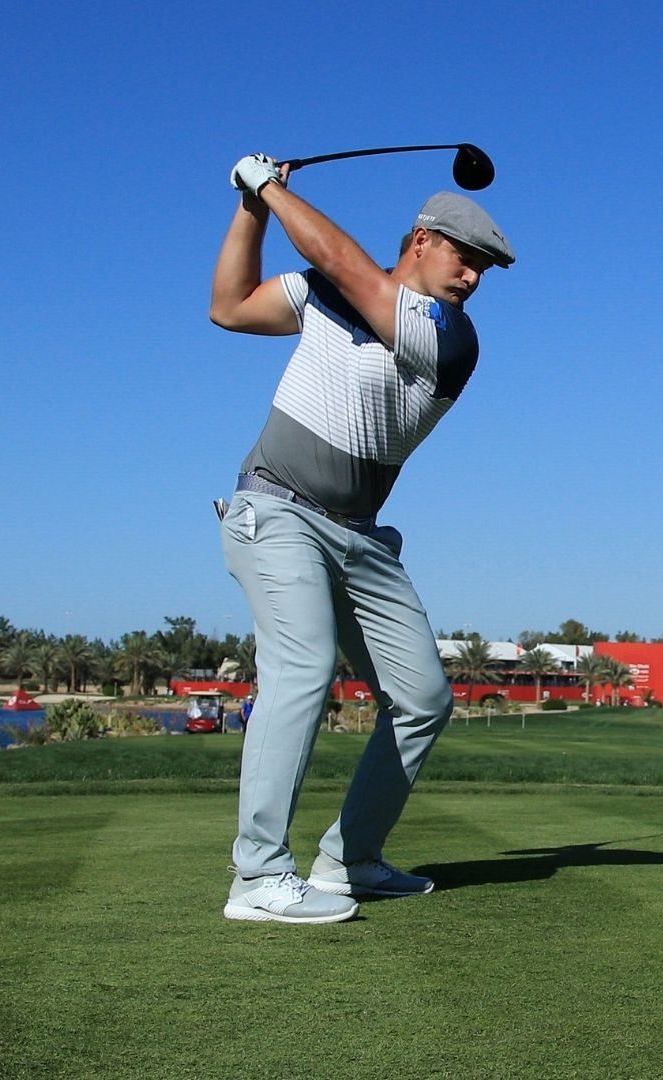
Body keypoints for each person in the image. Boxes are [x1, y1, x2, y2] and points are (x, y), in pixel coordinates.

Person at [209, 154, 515, 924]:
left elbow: (342, 262)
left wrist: (270, 186)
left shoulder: (451, 336)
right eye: (465, 257)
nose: (474, 277)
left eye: (485, 268)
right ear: (421, 238)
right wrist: (249, 206)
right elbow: (231, 306)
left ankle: (351, 859)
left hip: (362, 539)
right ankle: (257, 875)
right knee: (304, 666)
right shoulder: (324, 296)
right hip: (277, 511)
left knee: (422, 698)